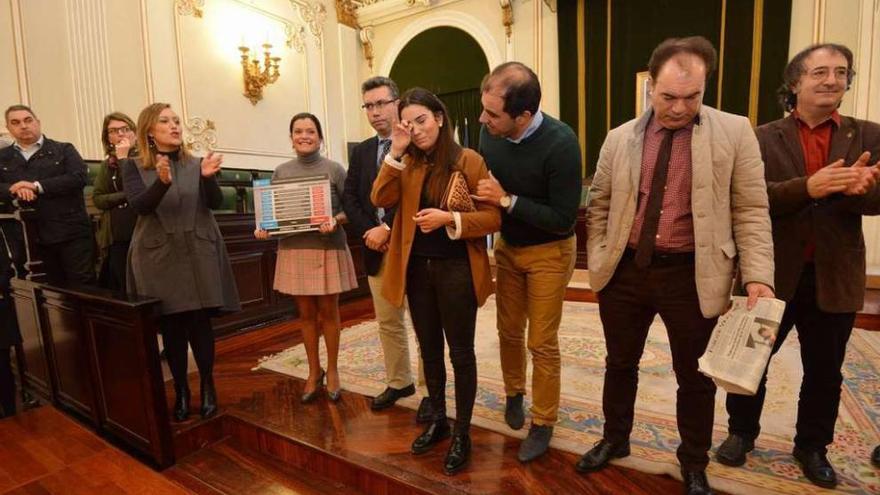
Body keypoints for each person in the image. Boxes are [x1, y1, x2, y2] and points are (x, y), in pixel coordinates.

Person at [581, 37, 775, 495]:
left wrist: (758, 276)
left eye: (692, 97)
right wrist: (600, 255)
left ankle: (693, 463)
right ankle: (615, 439)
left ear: (705, 88)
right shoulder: (619, 137)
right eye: (669, 97)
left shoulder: (735, 131)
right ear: (651, 87)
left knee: (695, 376)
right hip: (626, 271)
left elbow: (751, 207)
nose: (679, 108)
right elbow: (601, 202)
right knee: (620, 363)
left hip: (693, 274)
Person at [716, 43, 880, 490]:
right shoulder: (760, 136)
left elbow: (877, 201)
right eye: (820, 72)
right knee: (750, 362)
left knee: (825, 370)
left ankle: (812, 446)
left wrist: (859, 190)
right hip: (769, 272)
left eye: (842, 72)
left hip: (836, 274)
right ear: (795, 83)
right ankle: (741, 433)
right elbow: (749, 199)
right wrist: (809, 186)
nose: (832, 80)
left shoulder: (869, 135)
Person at [372, 87, 500, 475]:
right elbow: (380, 197)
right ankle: (440, 420)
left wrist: (451, 221)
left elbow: (493, 218)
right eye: (408, 123)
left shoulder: (468, 160)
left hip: (456, 269)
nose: (417, 129)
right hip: (416, 271)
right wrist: (394, 153)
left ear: (440, 118)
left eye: (422, 120)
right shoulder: (406, 162)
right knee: (429, 350)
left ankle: (462, 433)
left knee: (460, 353)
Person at [474, 62, 582, 462]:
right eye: (484, 109)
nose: (483, 120)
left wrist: (507, 200)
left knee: (541, 341)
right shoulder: (491, 135)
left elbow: (563, 219)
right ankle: (514, 393)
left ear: (522, 115)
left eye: (492, 113)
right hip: (508, 246)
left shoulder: (562, 143)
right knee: (507, 331)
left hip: (550, 251)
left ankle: (543, 421)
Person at [124, 103, 240, 422]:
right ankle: (181, 391)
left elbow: (215, 203)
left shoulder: (197, 163)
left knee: (200, 322)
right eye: (165, 121)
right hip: (159, 255)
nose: (174, 126)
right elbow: (140, 207)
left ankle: (207, 386)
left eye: (176, 121)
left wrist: (208, 179)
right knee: (173, 325)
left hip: (198, 249)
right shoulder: (134, 166)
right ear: (149, 130)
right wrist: (161, 182)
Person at [342, 76, 431, 420]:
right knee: (388, 322)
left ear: (397, 103)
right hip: (375, 250)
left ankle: (429, 390)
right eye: (369, 105)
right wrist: (370, 230)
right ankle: (400, 382)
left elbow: (419, 195)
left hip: (412, 248)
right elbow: (351, 196)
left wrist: (388, 228)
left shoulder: (418, 145)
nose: (376, 112)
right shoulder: (362, 151)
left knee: (424, 323)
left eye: (382, 103)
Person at [255, 113, 355, 404]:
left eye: (310, 131)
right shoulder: (281, 171)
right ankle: (314, 371)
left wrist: (335, 220)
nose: (304, 136)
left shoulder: (335, 169)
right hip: (294, 249)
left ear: (320, 137)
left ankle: (333, 370)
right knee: (306, 315)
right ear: (291, 138)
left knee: (329, 312)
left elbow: (352, 210)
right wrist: (264, 229)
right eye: (298, 131)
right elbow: (273, 217)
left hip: (327, 247)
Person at [0, 105, 95, 286]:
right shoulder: (2, 157)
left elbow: (79, 177)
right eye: (16, 122)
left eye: (28, 120)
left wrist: (36, 186)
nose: (23, 126)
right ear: (9, 128)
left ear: (38, 122)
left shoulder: (63, 149)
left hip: (69, 233)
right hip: (27, 240)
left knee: (82, 286)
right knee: (44, 293)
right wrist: (14, 188)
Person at [94, 112, 138, 290]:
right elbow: (98, 199)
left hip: (142, 229)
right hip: (117, 234)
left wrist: (125, 158)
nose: (120, 134)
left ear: (134, 133)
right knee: (122, 286)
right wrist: (126, 194)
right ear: (108, 138)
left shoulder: (147, 157)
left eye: (125, 129)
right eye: (113, 131)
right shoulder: (108, 164)